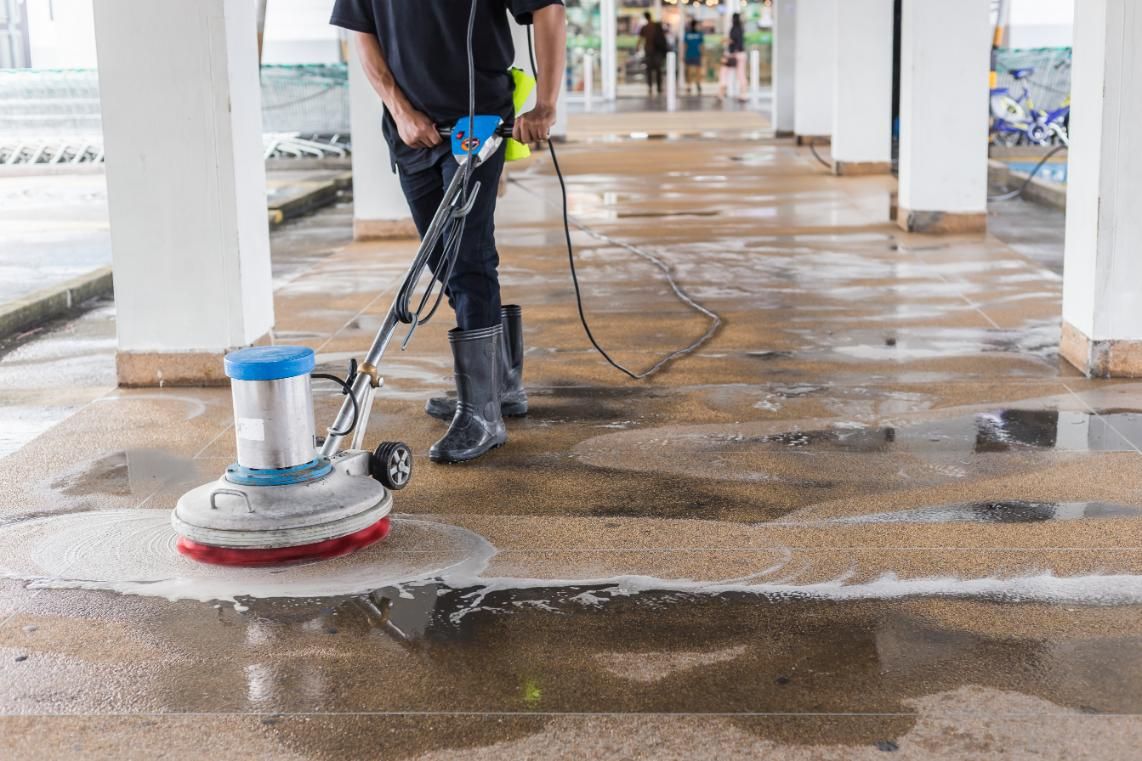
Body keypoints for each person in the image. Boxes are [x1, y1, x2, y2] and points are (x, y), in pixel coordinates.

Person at [329, 0, 566, 464]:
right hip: (410, 132)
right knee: (441, 259)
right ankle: (498, 383)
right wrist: (399, 110)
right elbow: (361, 31)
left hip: (477, 125)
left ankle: (482, 415)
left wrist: (547, 104)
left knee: (468, 258)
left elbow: (549, 11)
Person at [717, 12, 747, 103]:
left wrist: (725, 42)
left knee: (724, 73)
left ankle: (721, 94)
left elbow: (733, 42)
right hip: (741, 54)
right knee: (741, 75)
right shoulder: (741, 29)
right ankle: (743, 95)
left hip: (733, 54)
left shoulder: (733, 29)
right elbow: (739, 42)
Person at [637, 11, 668, 96]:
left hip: (649, 50)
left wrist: (637, 47)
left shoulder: (645, 27)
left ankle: (650, 87)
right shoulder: (656, 26)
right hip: (657, 51)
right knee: (658, 69)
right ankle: (659, 87)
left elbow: (640, 39)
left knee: (649, 70)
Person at [683, 19, 704, 95]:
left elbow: (685, 46)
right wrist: (702, 54)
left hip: (691, 54)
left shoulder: (688, 34)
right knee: (693, 71)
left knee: (690, 71)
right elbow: (701, 46)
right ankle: (692, 85)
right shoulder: (698, 34)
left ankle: (693, 85)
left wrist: (683, 55)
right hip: (694, 54)